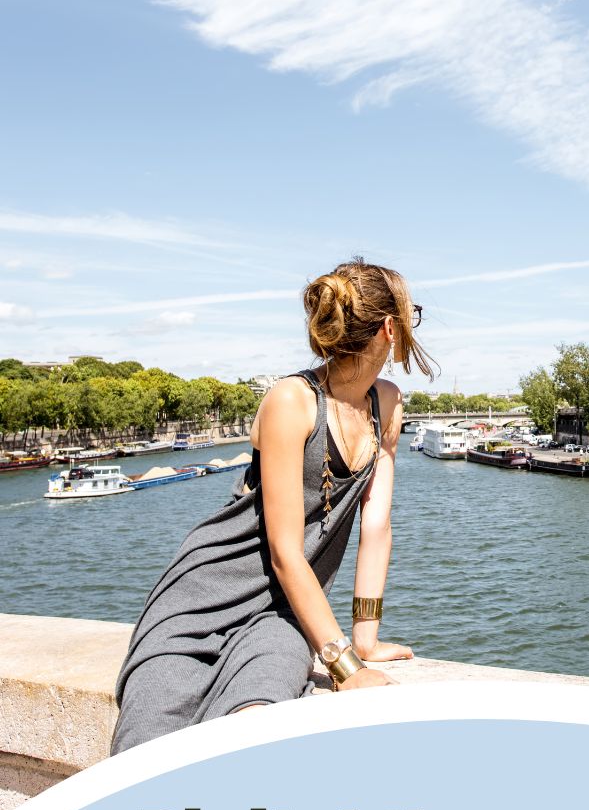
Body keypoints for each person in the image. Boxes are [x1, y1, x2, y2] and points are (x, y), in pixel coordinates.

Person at [111, 257, 433, 754]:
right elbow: (286, 552)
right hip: (204, 599)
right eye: (412, 316)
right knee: (147, 743)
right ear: (390, 328)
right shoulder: (291, 400)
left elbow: (377, 527)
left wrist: (364, 640)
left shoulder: (386, 403)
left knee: (259, 719)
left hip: (285, 613)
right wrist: (346, 667)